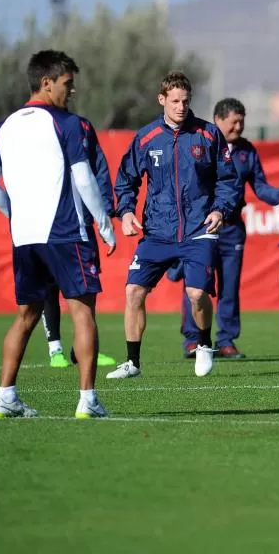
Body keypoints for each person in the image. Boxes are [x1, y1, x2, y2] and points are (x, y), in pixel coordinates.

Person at [0, 50, 116, 419]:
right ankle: (88, 402)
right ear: (47, 82)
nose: (71, 91)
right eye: (67, 84)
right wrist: (104, 224)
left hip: (25, 236)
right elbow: (84, 178)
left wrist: (14, 214)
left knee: (26, 315)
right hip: (66, 231)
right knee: (82, 312)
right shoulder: (67, 124)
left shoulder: (4, 126)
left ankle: (4, 397)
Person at [108, 72, 239, 380]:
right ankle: (132, 362)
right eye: (175, 101)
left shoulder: (207, 134)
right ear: (162, 100)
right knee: (133, 291)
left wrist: (220, 210)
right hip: (158, 231)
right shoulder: (146, 137)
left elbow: (228, 179)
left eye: (186, 101)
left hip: (199, 228)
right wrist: (126, 212)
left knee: (196, 294)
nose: (181, 107)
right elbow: (125, 180)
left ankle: (204, 344)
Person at [174, 98, 279, 359]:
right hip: (201, 229)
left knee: (229, 287)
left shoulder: (246, 152)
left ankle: (226, 340)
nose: (239, 126)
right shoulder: (199, 144)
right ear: (218, 120)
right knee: (197, 285)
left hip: (232, 230)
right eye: (234, 121)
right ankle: (193, 340)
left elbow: (260, 187)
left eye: (242, 121)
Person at [41, 114, 118, 368]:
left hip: (81, 224)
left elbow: (98, 169)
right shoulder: (31, 126)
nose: (70, 89)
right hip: (45, 224)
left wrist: (105, 209)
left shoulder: (82, 125)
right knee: (48, 287)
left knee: (86, 288)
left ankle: (83, 348)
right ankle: (55, 349)